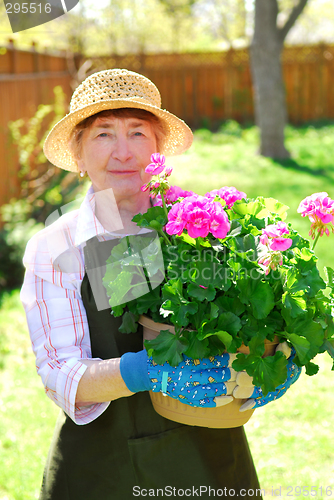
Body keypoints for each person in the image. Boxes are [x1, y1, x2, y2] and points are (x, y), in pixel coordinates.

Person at [20, 69, 300, 500]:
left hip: (210, 456)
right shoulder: (56, 246)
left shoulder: (204, 228)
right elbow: (60, 375)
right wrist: (148, 370)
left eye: (137, 133)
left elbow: (257, 317)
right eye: (103, 135)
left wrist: (276, 360)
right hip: (103, 469)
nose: (123, 152)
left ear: (157, 149)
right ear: (76, 155)